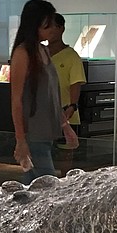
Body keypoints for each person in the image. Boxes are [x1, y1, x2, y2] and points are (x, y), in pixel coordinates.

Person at [9, 0, 78, 183]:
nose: (52, 30)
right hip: (33, 134)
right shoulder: (23, 54)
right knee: (46, 186)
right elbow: (16, 100)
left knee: (40, 187)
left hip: (46, 132)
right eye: (47, 26)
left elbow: (52, 96)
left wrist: (65, 126)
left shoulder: (43, 51)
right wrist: (21, 140)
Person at [45, 13, 84, 152]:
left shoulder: (71, 56)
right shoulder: (40, 54)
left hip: (65, 115)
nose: (48, 31)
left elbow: (76, 83)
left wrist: (72, 106)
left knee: (64, 156)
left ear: (61, 28)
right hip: (43, 116)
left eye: (52, 27)